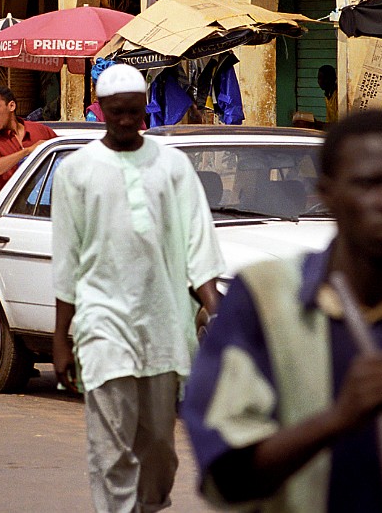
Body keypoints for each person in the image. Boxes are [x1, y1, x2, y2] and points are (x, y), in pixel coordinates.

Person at [182, 109, 382, 512]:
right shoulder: (264, 297)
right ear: (327, 193)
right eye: (369, 183)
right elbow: (226, 473)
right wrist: (338, 418)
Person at [52, 63, 224, 513]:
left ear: (144, 108)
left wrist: (216, 310)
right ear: (102, 109)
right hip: (101, 326)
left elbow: (198, 243)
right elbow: (67, 261)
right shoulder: (77, 171)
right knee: (110, 449)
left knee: (160, 451)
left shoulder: (172, 165)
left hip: (164, 325)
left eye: (134, 111)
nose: (126, 121)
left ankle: (150, 505)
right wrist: (61, 340)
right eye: (117, 112)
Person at [0, 85, 57, 200]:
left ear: (11, 106)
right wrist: (27, 152)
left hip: (45, 213)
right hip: (9, 214)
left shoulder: (41, 131)